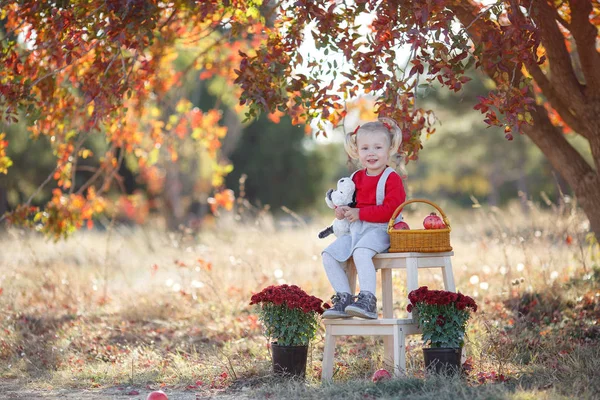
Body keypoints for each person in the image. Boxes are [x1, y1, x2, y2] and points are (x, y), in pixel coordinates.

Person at [321, 118, 406, 319]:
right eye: (365, 148)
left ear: (389, 149)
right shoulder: (356, 178)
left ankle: (368, 300)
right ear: (357, 151)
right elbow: (351, 204)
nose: (371, 153)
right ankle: (344, 298)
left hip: (382, 230)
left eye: (378, 147)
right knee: (329, 255)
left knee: (360, 253)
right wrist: (342, 211)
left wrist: (360, 214)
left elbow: (391, 210)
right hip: (356, 230)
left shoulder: (391, 178)